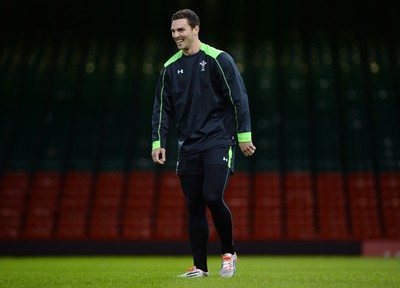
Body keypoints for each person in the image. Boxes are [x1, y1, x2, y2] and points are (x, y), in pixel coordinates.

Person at [151, 8, 256, 278]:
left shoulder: (218, 59)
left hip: (218, 141)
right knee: (194, 204)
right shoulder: (169, 68)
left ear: (196, 29)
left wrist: (244, 136)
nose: (176, 35)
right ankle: (199, 267)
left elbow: (239, 97)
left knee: (212, 196)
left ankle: (229, 253)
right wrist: (158, 142)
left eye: (181, 30)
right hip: (188, 146)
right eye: (173, 31)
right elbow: (162, 109)